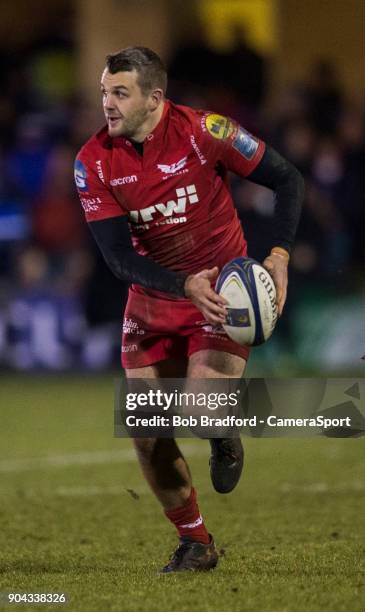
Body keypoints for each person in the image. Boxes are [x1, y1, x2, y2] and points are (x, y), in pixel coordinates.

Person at [74, 46, 304, 573]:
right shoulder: (93, 162)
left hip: (221, 297)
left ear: (155, 98)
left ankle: (221, 433)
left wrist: (279, 256)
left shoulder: (208, 132)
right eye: (104, 91)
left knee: (201, 410)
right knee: (146, 429)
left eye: (119, 93)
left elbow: (288, 179)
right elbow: (116, 258)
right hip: (155, 299)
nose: (106, 103)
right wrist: (181, 284)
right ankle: (196, 542)